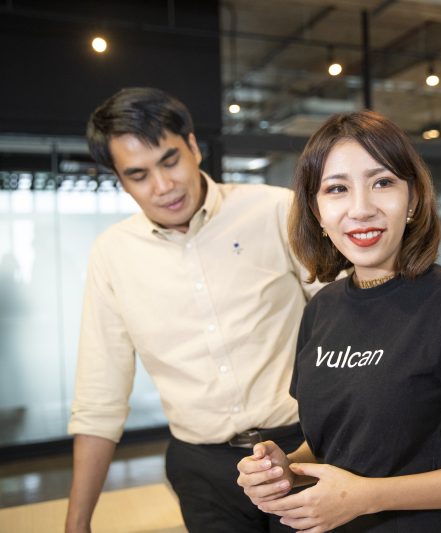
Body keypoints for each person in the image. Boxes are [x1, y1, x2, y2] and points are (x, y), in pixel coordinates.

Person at [236, 110, 441, 532]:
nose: (361, 209)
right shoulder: (321, 309)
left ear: (412, 199)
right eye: (337, 189)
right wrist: (286, 466)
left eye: (382, 183)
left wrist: (368, 496)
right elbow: (337, 443)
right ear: (317, 212)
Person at [66, 87, 320, 533]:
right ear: (120, 180)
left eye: (169, 160)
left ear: (194, 146)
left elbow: (348, 322)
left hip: (306, 446)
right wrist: (78, 521)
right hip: (202, 469)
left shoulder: (277, 210)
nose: (163, 187)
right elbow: (98, 399)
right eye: (139, 174)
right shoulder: (112, 256)